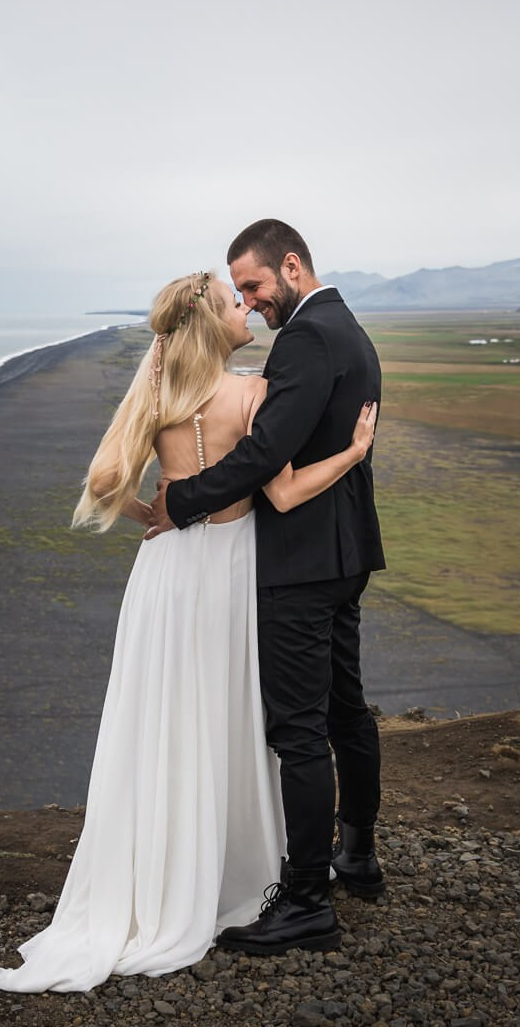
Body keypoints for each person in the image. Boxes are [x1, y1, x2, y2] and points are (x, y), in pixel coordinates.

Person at [0, 269, 377, 992]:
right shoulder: (251, 393)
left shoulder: (156, 395)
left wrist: (159, 518)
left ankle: (155, 875)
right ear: (213, 324)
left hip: (166, 576)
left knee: (163, 720)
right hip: (232, 569)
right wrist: (354, 454)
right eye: (236, 305)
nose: (247, 312)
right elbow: (287, 490)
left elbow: (106, 486)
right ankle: (240, 871)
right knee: (228, 718)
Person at [148, 220, 386, 957]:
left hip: (302, 566)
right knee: (346, 709)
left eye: (253, 285)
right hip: (343, 556)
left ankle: (308, 900)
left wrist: (182, 504)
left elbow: (265, 455)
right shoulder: (350, 330)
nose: (250, 303)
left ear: (290, 265)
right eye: (239, 294)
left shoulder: (309, 340)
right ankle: (357, 855)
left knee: (298, 730)